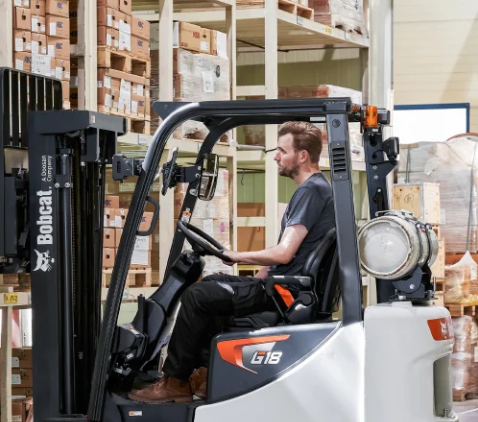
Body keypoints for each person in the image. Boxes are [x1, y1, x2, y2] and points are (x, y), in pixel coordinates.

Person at [129, 121, 336, 404]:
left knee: (197, 296)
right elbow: (286, 256)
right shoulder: (317, 188)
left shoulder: (310, 191)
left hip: (284, 292)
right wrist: (254, 275)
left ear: (302, 156)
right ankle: (203, 375)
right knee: (214, 286)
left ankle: (175, 382)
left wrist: (236, 256)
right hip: (285, 287)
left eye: (282, 151)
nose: (276, 156)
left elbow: (284, 254)